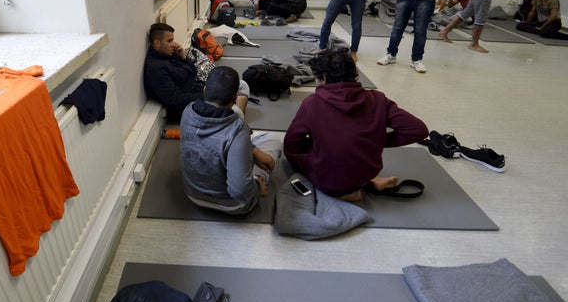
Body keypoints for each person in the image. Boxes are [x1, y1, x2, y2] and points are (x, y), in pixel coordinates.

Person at [283, 48, 428, 201]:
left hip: (328, 182)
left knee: (291, 153)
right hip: (365, 172)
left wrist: (317, 146)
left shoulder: (312, 103)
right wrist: (374, 140)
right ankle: (365, 183)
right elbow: (418, 130)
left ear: (323, 78)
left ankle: (344, 193)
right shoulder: (377, 99)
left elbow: (292, 143)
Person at [180, 66, 283, 214]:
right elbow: (240, 191)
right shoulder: (238, 129)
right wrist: (257, 186)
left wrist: (252, 149)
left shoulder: (188, 110)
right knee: (273, 140)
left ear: (204, 91)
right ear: (235, 98)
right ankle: (258, 176)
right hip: (232, 205)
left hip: (192, 195)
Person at [143, 23, 248, 121]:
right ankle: (232, 115)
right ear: (157, 43)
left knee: (242, 85)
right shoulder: (156, 69)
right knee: (237, 112)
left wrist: (183, 58)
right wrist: (207, 96)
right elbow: (176, 99)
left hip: (201, 91)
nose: (173, 44)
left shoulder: (169, 54)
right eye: (169, 41)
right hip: (192, 105)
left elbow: (193, 72)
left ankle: (230, 115)